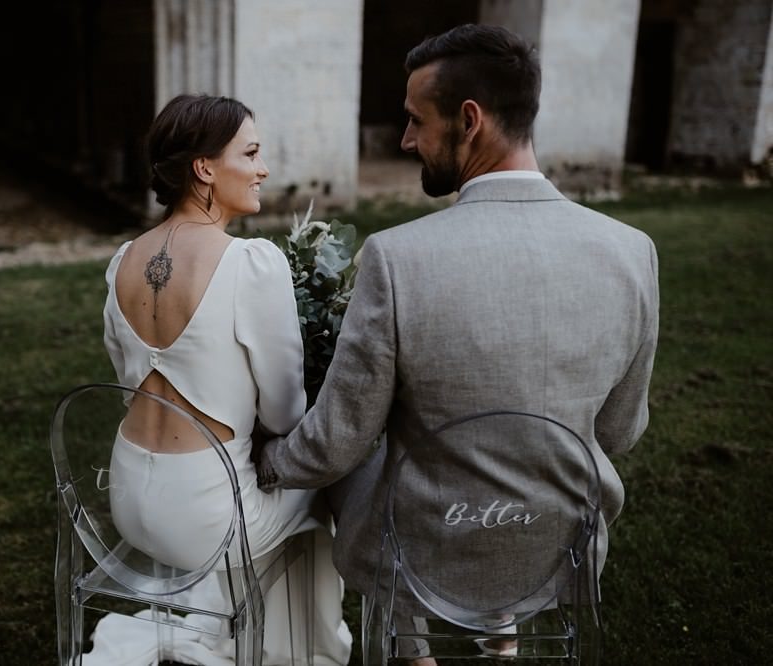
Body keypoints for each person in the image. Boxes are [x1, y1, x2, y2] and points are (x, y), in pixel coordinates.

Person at [256, 22, 659, 656]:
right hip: (559, 550)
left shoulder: (397, 259)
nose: (406, 138)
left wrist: (271, 460)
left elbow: (336, 442)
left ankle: (412, 650)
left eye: (417, 120)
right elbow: (619, 432)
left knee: (357, 458)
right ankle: (501, 634)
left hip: (427, 551)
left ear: (469, 120)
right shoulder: (634, 253)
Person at [85, 94, 351, 666]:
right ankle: (293, 651)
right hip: (210, 519)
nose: (263, 169)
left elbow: (129, 375)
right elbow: (284, 415)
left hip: (129, 500)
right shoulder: (251, 263)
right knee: (326, 484)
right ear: (204, 168)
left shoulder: (123, 259)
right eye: (251, 153)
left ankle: (235, 622)